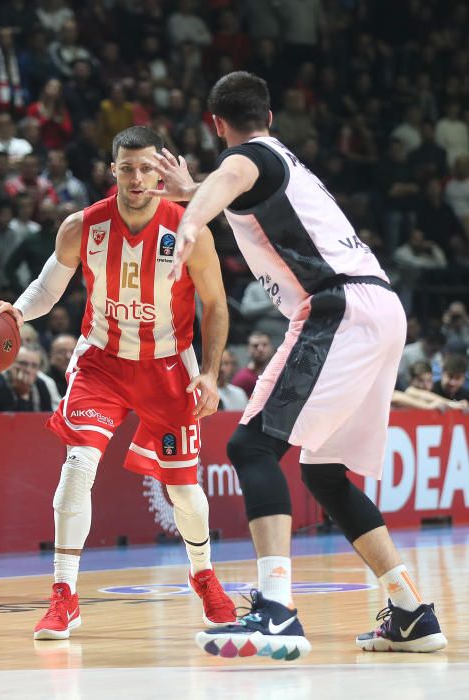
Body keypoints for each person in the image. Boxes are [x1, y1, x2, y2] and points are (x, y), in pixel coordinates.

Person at [146, 72, 447, 660]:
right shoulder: (279, 161)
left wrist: (187, 219)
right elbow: (231, 185)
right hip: (380, 307)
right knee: (324, 473)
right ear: (271, 115)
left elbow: (231, 175)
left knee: (251, 448)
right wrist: (191, 193)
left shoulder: (248, 158)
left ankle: (277, 610)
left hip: (337, 308)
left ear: (216, 124)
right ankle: (410, 609)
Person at [0, 126, 235, 640]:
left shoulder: (189, 230)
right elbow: (49, 287)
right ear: (111, 170)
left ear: (160, 172)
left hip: (167, 367)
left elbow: (217, 306)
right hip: (102, 362)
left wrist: (208, 372)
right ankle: (64, 595)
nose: (136, 178)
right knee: (78, 464)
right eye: (126, 168)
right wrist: (17, 311)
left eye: (145, 168)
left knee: (183, 490)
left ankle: (203, 575)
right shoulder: (82, 227)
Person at [231, 330, 274, 397]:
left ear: (271, 348)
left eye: (264, 345)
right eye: (255, 346)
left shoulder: (277, 376)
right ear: (248, 350)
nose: (260, 349)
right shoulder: (242, 379)